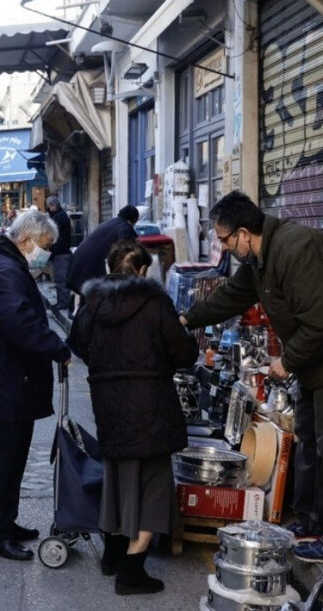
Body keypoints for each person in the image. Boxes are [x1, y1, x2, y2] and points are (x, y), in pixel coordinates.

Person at [180, 191, 323, 562]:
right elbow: (231, 296)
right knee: (309, 438)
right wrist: (186, 318)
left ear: (244, 233)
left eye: (226, 240)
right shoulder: (262, 260)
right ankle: (309, 518)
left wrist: (287, 360)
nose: (224, 248)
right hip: (318, 357)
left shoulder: (294, 250)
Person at [67, 240, 198, 595]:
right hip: (151, 405)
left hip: (109, 404)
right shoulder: (155, 303)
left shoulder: (92, 304)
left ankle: (112, 555)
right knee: (154, 487)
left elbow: (76, 344)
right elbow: (182, 351)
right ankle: (131, 570)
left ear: (109, 267)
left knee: (116, 478)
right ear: (142, 270)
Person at [0, 210, 71, 561]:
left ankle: (5, 522)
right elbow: (21, 324)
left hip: (10, 383)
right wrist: (58, 348)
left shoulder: (7, 266)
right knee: (5, 463)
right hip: (5, 386)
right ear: (26, 240)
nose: (46, 253)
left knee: (12, 462)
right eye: (45, 245)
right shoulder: (2, 272)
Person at [66, 205, 139, 303]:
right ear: (133, 219)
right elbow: (126, 250)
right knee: (94, 304)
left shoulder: (111, 222)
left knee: (87, 304)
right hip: (91, 268)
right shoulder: (125, 227)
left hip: (80, 264)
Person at [45, 196, 73, 315]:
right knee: (59, 279)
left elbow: (55, 236)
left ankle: (64, 302)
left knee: (61, 279)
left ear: (52, 206)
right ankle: (62, 301)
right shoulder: (60, 216)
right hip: (61, 252)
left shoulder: (58, 217)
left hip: (60, 253)